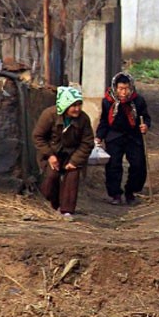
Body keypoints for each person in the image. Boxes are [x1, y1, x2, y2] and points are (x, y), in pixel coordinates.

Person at [32, 86, 94, 219]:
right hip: (51, 154)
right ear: (65, 105)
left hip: (72, 154)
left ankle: (67, 210)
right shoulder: (49, 115)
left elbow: (87, 143)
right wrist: (50, 155)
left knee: (72, 177)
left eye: (79, 105)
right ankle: (52, 203)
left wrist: (75, 161)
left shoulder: (83, 119)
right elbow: (38, 137)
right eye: (73, 105)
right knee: (51, 177)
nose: (77, 109)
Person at [95, 72, 151, 205]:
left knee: (138, 165)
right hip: (114, 136)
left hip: (133, 136)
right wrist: (99, 136)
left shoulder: (138, 101)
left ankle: (131, 191)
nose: (123, 92)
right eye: (120, 89)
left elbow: (146, 117)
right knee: (113, 166)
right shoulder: (108, 101)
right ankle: (115, 194)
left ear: (131, 88)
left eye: (126, 88)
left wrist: (145, 126)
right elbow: (104, 121)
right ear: (115, 88)